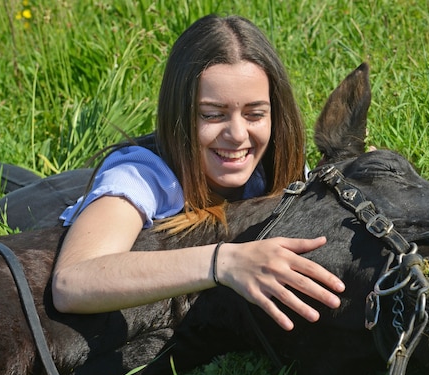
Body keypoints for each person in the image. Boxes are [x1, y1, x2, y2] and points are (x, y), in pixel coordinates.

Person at [45, 14, 344, 332]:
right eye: (213, 114)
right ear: (179, 113)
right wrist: (224, 262)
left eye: (255, 114)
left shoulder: (275, 169)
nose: (238, 134)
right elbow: (72, 282)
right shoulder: (141, 177)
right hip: (51, 202)